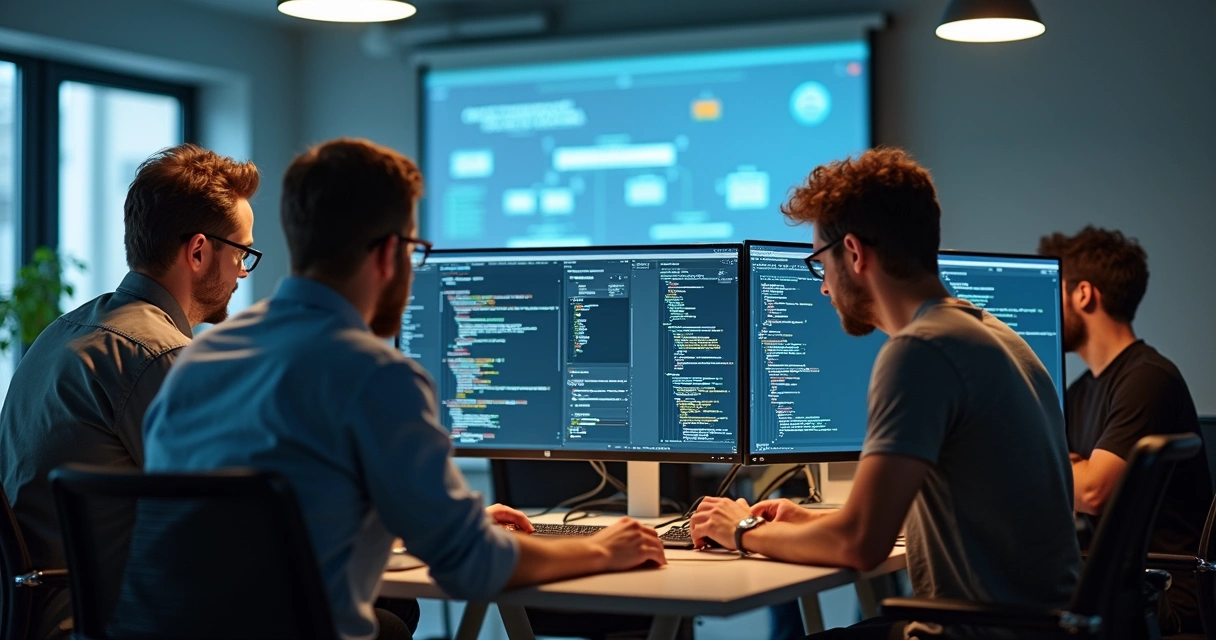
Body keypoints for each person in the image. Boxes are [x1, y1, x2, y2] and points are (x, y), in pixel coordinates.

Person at [143, 138, 666, 640]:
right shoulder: (374, 374)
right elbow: (472, 567)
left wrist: (426, 519)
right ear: (390, 253)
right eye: (415, 249)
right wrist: (603, 550)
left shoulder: (200, 361)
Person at [690, 148, 1081, 639]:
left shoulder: (920, 350)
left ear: (853, 253)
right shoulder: (999, 338)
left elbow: (860, 545)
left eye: (820, 263)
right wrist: (796, 523)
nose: (824, 288)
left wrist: (741, 531)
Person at [0, 143, 259, 639]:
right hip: (108, 615)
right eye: (243, 253)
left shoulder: (64, 331)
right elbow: (234, 531)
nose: (242, 273)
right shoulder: (160, 357)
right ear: (200, 251)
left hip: (36, 610)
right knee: (384, 617)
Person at [1039, 226, 1211, 635]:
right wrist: (1074, 469)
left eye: (1054, 291)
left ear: (1083, 294)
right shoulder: (1081, 393)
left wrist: (1076, 471)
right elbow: (1068, 480)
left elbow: (1094, 492)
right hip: (1116, 582)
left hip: (1164, 591)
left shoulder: (1148, 378)